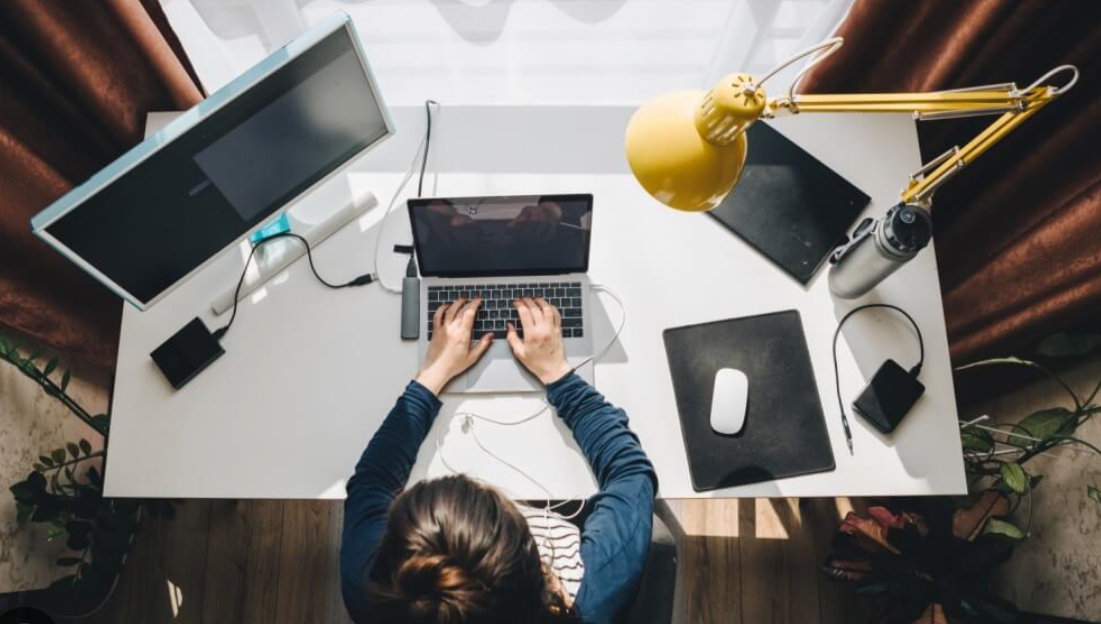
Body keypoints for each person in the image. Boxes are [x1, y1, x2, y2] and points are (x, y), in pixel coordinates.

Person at [341, 296, 657, 624]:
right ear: (537, 565)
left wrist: (432, 374)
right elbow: (631, 474)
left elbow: (372, 482)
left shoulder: (372, 595)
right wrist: (560, 377)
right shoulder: (585, 600)